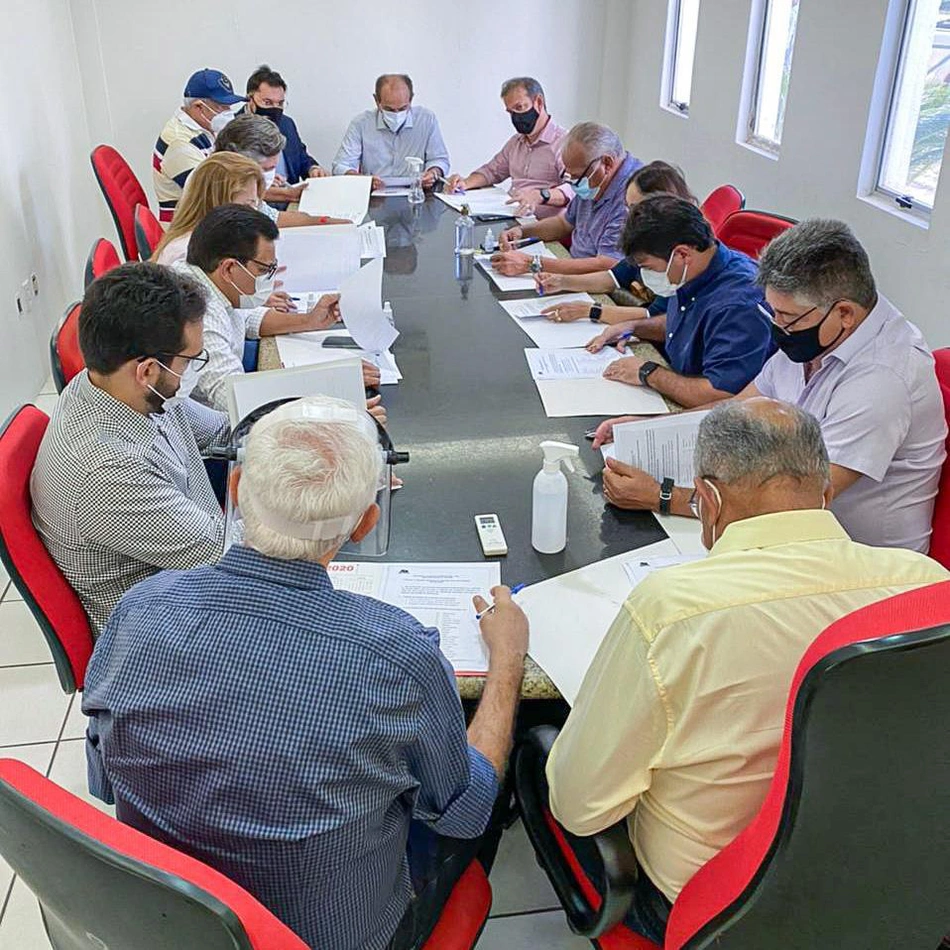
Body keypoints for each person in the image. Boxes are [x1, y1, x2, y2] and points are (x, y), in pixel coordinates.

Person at [82, 394, 530, 950]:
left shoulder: (139, 609)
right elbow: (462, 811)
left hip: (169, 915)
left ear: (237, 488)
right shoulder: (395, 654)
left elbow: (102, 772)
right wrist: (507, 661)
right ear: (366, 523)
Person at [547, 398, 949, 944]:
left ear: (707, 501)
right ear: (824, 492)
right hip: (885, 887)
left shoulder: (673, 610)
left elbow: (581, 807)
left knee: (546, 747)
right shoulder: (925, 585)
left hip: (719, 911)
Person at [592, 219, 946, 553]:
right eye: (773, 312)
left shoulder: (883, 380)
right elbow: (738, 410)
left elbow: (799, 503)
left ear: (845, 314)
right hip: (791, 529)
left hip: (857, 561)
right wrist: (649, 428)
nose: (777, 327)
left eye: (787, 318)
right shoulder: (818, 335)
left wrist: (662, 495)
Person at [31, 264, 227, 631]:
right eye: (189, 361)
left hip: (194, 564)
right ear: (148, 371)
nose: (192, 372)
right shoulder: (108, 472)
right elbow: (223, 557)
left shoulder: (115, 385)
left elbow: (222, 433)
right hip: (163, 628)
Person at [587, 194, 772, 408]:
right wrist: (634, 327)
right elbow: (688, 324)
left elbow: (720, 395)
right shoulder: (695, 270)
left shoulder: (737, 306)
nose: (647, 276)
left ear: (682, 254)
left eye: (648, 267)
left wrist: (648, 372)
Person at [172, 204, 344, 412]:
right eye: (264, 270)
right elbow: (235, 398)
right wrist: (334, 384)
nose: (269, 278)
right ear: (228, 268)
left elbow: (248, 319)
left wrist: (310, 320)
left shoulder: (207, 278)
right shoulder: (201, 317)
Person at [538, 161, 698, 324]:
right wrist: (562, 281)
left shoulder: (683, 255)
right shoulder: (645, 241)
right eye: (628, 207)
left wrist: (590, 311)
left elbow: (655, 316)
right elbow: (613, 277)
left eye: (636, 209)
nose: (628, 217)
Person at [490, 122, 642, 277]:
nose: (574, 183)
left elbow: (608, 264)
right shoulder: (595, 180)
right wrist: (521, 231)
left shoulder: (632, 195)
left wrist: (532, 263)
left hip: (604, 284)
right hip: (573, 264)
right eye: (569, 176)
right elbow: (564, 223)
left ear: (607, 163)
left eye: (578, 176)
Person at [442, 77, 572, 218]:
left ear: (539, 102)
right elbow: (492, 171)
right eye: (511, 112)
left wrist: (541, 195)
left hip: (545, 224)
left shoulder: (564, 142)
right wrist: (464, 183)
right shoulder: (516, 142)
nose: (516, 117)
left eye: (519, 107)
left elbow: (573, 189)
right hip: (512, 217)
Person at [213, 115, 348, 227]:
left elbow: (274, 218)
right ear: (238, 163)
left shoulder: (247, 195)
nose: (271, 175)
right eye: (267, 169)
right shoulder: (215, 197)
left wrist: (327, 222)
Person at [153, 68, 245, 223]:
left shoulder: (205, 128)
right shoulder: (179, 142)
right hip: (188, 228)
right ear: (198, 107)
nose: (228, 112)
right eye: (222, 106)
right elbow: (214, 195)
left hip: (208, 218)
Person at [332, 73, 450, 191]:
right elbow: (341, 165)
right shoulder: (361, 124)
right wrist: (363, 180)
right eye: (389, 109)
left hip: (416, 192)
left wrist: (433, 173)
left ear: (411, 99)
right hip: (374, 195)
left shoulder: (426, 120)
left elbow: (440, 160)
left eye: (403, 108)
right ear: (377, 101)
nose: (396, 114)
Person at [246, 64, 330, 203]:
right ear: (250, 99)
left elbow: (301, 157)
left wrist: (312, 169)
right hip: (257, 203)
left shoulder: (286, 124)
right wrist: (263, 182)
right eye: (267, 102)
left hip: (291, 201)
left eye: (280, 104)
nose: (274, 109)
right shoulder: (233, 128)